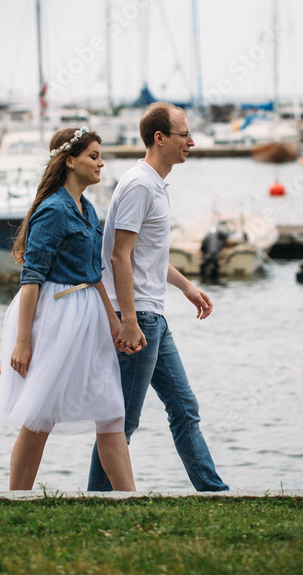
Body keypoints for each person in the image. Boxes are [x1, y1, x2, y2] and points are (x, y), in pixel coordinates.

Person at [87, 102, 229, 492]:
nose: (192, 142)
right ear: (160, 138)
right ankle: (99, 499)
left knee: (184, 409)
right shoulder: (138, 185)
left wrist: (186, 288)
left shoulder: (155, 184)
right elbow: (119, 255)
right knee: (121, 423)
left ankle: (214, 493)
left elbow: (147, 256)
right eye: (185, 135)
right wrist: (129, 320)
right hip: (139, 319)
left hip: (154, 317)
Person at [0, 126, 136, 491]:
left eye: (100, 156)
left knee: (111, 412)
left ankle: (128, 498)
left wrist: (114, 322)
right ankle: (17, 497)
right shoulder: (53, 209)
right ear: (70, 161)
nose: (101, 163)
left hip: (89, 319)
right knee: (40, 415)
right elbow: (31, 278)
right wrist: (23, 341)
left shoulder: (86, 207)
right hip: (57, 318)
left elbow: (94, 274)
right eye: (94, 156)